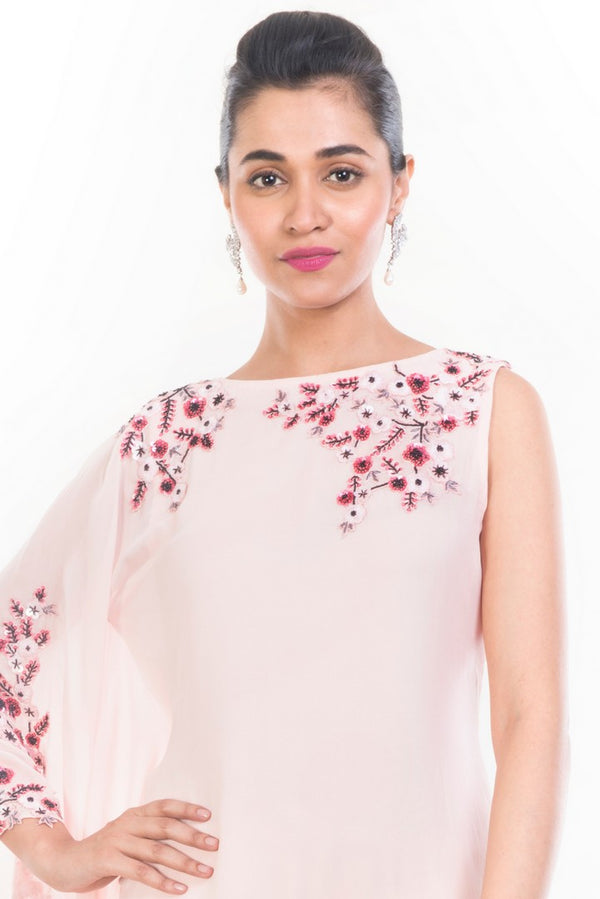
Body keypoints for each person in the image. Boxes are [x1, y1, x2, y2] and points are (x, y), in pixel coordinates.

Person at [0, 9, 569, 899]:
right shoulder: (167, 441)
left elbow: (531, 720)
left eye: (342, 172)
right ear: (227, 193)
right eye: (268, 177)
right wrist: (52, 846)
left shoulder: (482, 408)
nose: (306, 215)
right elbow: (13, 644)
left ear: (399, 183)